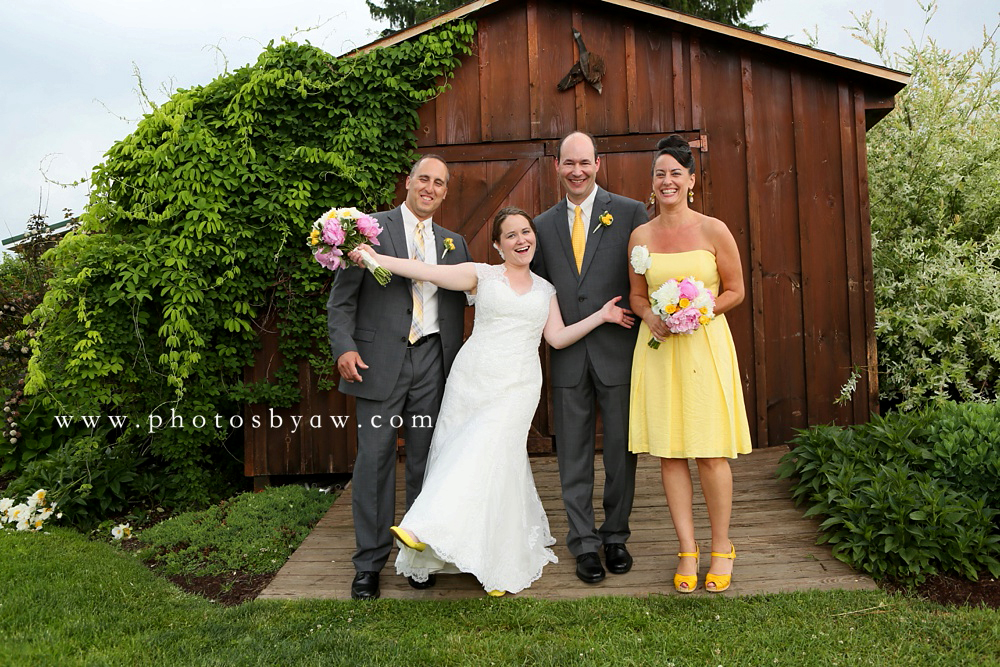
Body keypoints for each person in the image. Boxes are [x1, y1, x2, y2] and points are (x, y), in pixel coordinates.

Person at [348, 207, 634, 596]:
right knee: (464, 455)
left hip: (517, 385)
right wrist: (376, 258)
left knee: (490, 453)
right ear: (498, 245)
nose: (521, 240)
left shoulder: (546, 290)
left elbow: (557, 338)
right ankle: (465, 546)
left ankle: (428, 529)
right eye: (511, 235)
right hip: (472, 380)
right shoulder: (481, 275)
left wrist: (601, 316)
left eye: (526, 233)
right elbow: (426, 272)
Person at [327, 155, 472, 600]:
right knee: (374, 460)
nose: (430, 187)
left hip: (433, 362)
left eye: (439, 183)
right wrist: (345, 347)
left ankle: (417, 556)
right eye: (423, 179)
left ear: (446, 192)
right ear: (407, 182)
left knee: (427, 462)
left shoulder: (454, 243)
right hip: (377, 362)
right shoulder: (369, 230)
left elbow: (470, 299)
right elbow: (341, 302)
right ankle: (369, 563)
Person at [627, 135, 752, 594]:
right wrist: (651, 317)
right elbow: (638, 296)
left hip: (704, 347)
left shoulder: (714, 230)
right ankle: (687, 548)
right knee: (671, 452)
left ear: (691, 180)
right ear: (653, 181)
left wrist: (699, 311)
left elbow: (735, 290)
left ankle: (722, 546)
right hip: (660, 352)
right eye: (660, 174)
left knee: (710, 451)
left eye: (675, 173)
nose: (667, 181)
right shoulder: (640, 237)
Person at [532, 131, 648, 584]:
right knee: (573, 456)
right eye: (568, 163)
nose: (576, 171)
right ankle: (582, 542)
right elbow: (540, 292)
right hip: (567, 356)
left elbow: (644, 278)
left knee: (621, 452)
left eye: (584, 162)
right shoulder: (541, 226)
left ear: (598, 163)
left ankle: (615, 535)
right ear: (557, 167)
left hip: (619, 350)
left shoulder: (629, 212)